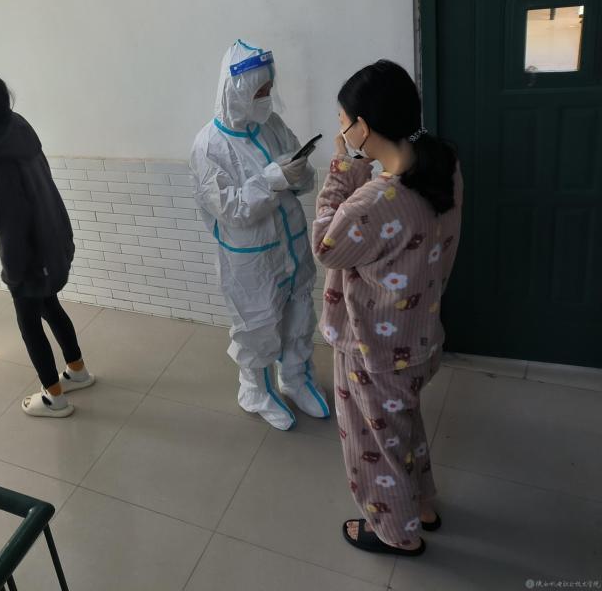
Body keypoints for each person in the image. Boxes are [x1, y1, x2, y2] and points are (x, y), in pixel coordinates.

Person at [313, 59, 462, 557]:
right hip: (419, 338)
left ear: (363, 128)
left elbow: (326, 246)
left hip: (371, 350)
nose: (341, 131)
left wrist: (343, 171)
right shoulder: (443, 166)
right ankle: (422, 505)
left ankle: (397, 533)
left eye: (343, 122)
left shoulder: (376, 201)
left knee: (373, 448)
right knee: (403, 428)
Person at [190, 40, 330, 431]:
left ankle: (295, 378)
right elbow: (231, 209)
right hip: (251, 259)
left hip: (292, 246)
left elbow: (299, 174)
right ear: (236, 91)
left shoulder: (271, 125)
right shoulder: (208, 146)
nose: (267, 97)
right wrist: (273, 179)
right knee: (257, 327)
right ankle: (255, 390)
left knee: (299, 316)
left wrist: (297, 175)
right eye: (259, 91)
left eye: (269, 88)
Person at [0, 67, 93, 418]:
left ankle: (54, 398)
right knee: (50, 306)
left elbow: (12, 224)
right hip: (49, 240)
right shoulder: (17, 130)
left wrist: (13, 273)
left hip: (29, 254)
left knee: (29, 323)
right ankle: (77, 370)